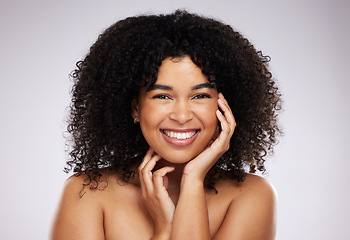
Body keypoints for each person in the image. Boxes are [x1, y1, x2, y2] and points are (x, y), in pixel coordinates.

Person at [51, 10, 282, 240]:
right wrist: (164, 231)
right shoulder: (86, 193)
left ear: (225, 106)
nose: (181, 116)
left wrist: (192, 181)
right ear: (135, 108)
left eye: (200, 96)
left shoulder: (251, 196)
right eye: (162, 96)